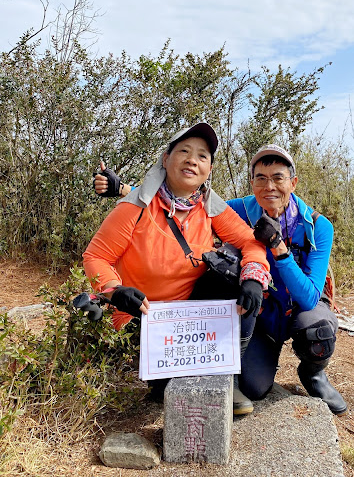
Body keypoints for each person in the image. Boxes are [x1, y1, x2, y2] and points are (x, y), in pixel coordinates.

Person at [94, 143, 347, 416]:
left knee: (316, 330)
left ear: (293, 182)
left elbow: (309, 297)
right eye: (260, 178)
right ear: (251, 183)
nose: (269, 186)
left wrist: (279, 249)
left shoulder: (317, 226)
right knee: (255, 387)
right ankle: (241, 364)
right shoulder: (238, 210)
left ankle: (314, 375)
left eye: (278, 178)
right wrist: (123, 190)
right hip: (261, 312)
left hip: (300, 309)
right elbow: (179, 200)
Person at [84, 122, 270, 416]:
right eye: (183, 151)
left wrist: (254, 277)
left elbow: (251, 242)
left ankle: (226, 378)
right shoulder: (135, 206)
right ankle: (166, 377)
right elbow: (96, 257)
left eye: (202, 156)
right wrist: (114, 290)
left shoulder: (211, 207)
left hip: (188, 322)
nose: (192, 160)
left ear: (208, 169)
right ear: (165, 159)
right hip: (142, 318)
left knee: (234, 279)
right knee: (166, 389)